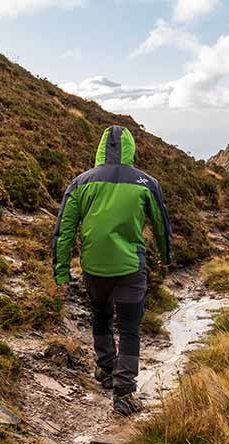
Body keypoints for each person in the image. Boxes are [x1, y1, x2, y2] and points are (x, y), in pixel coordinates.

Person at [52, 125, 172, 416]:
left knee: (102, 316)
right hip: (131, 267)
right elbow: (161, 225)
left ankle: (106, 369)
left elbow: (64, 231)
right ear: (131, 149)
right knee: (130, 327)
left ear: (101, 148)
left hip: (94, 269)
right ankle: (123, 393)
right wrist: (166, 259)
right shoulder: (146, 182)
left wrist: (61, 271)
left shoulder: (81, 183)